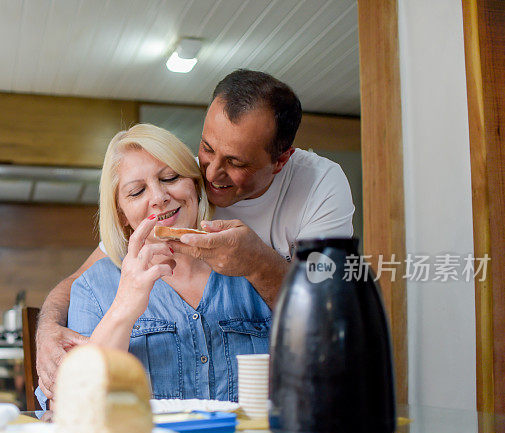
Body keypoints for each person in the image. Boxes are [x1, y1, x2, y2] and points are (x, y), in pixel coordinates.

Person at [36, 69, 355, 403]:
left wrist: (258, 263)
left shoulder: (318, 188)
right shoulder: (103, 281)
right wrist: (48, 329)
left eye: (235, 162)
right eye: (206, 149)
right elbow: (84, 282)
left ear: (279, 162)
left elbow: (326, 325)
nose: (213, 174)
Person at [36, 124, 272, 408]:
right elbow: (72, 407)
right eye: (136, 192)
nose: (158, 197)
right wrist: (125, 306)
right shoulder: (93, 287)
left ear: (195, 186)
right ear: (121, 213)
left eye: (171, 177)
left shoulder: (250, 265)